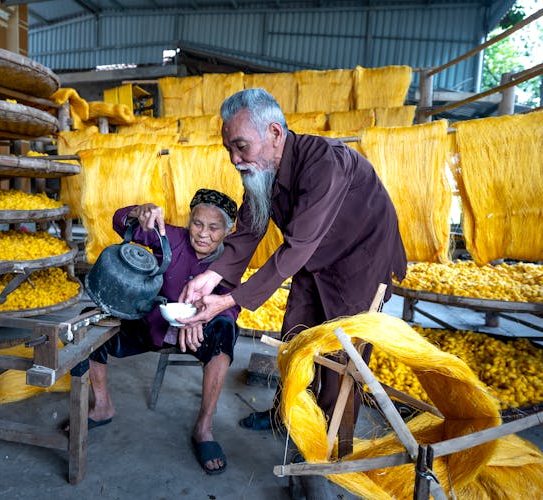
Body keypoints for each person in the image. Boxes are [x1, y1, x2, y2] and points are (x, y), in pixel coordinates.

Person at [178, 88, 407, 433]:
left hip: (359, 261)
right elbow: (250, 229)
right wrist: (210, 277)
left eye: (241, 147)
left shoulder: (325, 162)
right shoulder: (262, 170)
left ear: (274, 133)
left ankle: (328, 445)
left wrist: (230, 299)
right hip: (315, 257)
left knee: (340, 354)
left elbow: (297, 246)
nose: (235, 159)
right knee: (295, 337)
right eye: (230, 150)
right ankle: (285, 417)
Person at [79, 188, 241, 475]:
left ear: (227, 231)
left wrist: (204, 318)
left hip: (197, 336)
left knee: (226, 329)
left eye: (214, 228)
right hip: (151, 326)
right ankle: (102, 405)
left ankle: (204, 427)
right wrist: (139, 210)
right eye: (198, 223)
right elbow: (119, 223)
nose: (203, 233)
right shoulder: (173, 237)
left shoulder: (230, 259)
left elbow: (232, 303)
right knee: (88, 325)